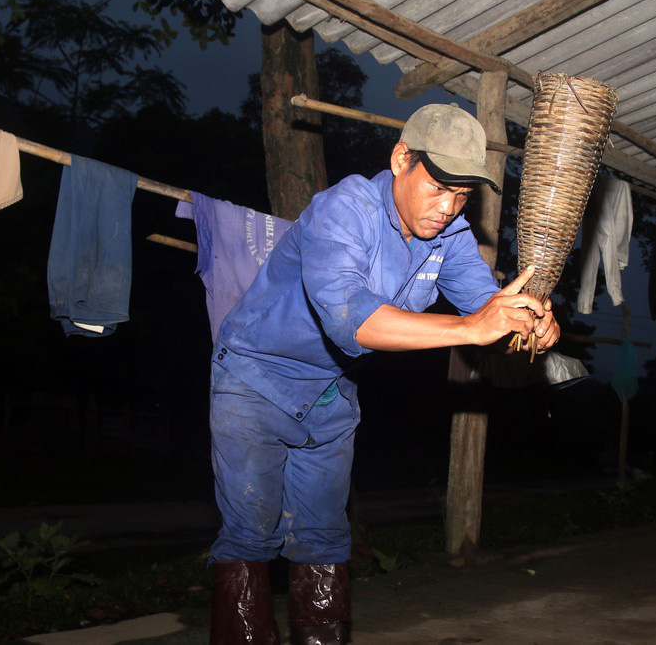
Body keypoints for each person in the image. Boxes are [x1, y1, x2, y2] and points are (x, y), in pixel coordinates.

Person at [207, 103, 561, 644]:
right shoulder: (342, 208)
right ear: (401, 159)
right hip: (255, 379)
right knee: (252, 533)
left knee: (325, 536)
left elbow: (486, 306)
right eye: (439, 187)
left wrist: (526, 322)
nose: (449, 208)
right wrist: (470, 327)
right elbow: (352, 318)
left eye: (463, 195)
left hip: (329, 392)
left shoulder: (449, 235)